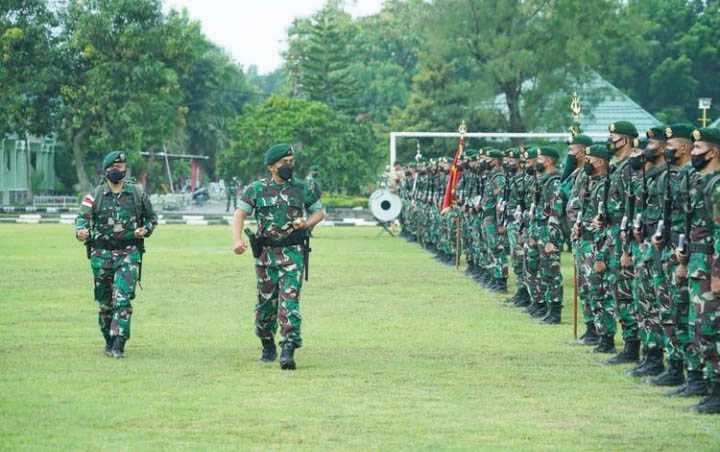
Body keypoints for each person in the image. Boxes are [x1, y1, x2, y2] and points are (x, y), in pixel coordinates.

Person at [232, 143, 325, 370]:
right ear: (272, 166)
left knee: (289, 301)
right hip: (265, 256)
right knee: (266, 304)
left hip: (293, 253)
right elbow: (240, 213)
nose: (289, 165)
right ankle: (266, 342)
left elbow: (319, 212)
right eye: (285, 162)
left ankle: (288, 348)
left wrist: (306, 224)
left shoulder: (302, 188)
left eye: (292, 161)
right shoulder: (256, 189)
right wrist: (237, 240)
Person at [74, 151, 157, 359]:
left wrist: (144, 230)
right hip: (101, 255)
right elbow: (81, 220)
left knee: (122, 299)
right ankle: (109, 339)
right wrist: (80, 232)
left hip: (129, 253)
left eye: (122, 167)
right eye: (115, 167)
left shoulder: (137, 194)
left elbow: (152, 219)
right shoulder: (94, 196)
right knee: (105, 304)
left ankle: (119, 342)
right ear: (107, 170)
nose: (119, 170)